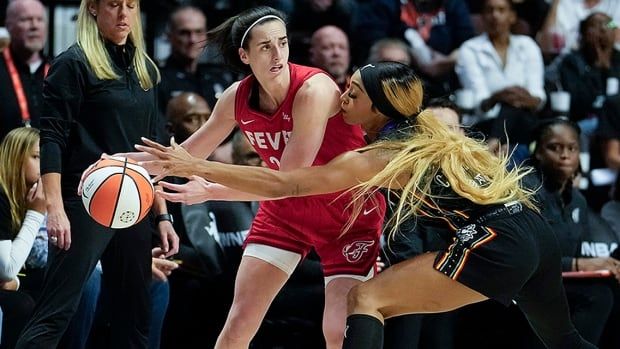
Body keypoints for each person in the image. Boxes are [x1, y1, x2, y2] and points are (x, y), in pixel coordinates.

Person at [138, 61, 597, 349]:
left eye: (353, 92)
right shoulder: (431, 130)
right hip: (532, 229)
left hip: (497, 239)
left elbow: (289, 186)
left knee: (366, 298)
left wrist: (193, 164)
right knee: (563, 338)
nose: (342, 96)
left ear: (378, 108)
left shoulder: (377, 154)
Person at [129, 6, 385, 348]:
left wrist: (211, 189)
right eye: (265, 46)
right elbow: (183, 157)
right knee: (238, 324)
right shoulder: (236, 97)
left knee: (337, 331)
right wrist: (114, 165)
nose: (278, 54)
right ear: (244, 54)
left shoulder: (314, 89)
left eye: (282, 42)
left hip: (346, 213)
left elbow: (287, 182)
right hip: (286, 215)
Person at [15, 1, 179, 348]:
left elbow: (154, 149)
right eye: (113, 5)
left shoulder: (145, 69)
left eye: (131, 6)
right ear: (92, 9)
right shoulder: (72, 64)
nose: (123, 14)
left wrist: (162, 215)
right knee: (56, 313)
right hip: (83, 200)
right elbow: (52, 139)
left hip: (134, 203)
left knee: (134, 316)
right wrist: (55, 208)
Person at [530, 118, 617, 346]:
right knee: (597, 296)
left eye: (572, 148)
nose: (565, 155)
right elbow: (527, 257)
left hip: (560, 281)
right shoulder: (527, 192)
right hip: (527, 285)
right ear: (538, 152)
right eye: (554, 148)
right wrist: (578, 264)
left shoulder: (577, 200)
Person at [456, 0, 546, 153]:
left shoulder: (528, 45)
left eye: (501, 10)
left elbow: (538, 96)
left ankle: (494, 144)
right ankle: (496, 142)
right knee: (510, 105)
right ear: (483, 16)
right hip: (485, 122)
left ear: (512, 16)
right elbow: (480, 102)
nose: (495, 15)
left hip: (524, 120)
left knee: (513, 107)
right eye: (489, 10)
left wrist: (520, 98)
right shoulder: (470, 49)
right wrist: (499, 96)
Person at [0, 127, 44, 349]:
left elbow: (40, 265)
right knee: (22, 305)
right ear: (16, 158)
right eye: (36, 157)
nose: (45, 167)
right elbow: (6, 269)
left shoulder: (27, 196)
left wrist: (16, 281)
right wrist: (36, 214)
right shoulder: (1, 194)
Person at [0, 0, 49, 140]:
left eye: (39, 19)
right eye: (26, 19)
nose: (34, 25)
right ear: (9, 25)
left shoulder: (58, 71)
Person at [308, 25, 351, 92]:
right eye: (327, 47)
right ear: (312, 54)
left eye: (342, 47)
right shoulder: (305, 89)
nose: (336, 53)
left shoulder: (363, 88)